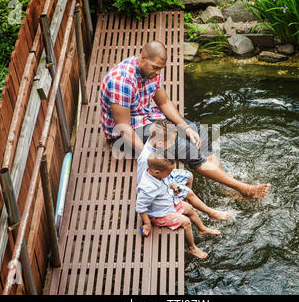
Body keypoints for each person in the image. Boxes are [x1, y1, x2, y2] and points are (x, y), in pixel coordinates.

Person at [100, 40, 270, 198]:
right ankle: (243, 188)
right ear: (142, 57)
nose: (158, 73)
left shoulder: (151, 71)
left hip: (148, 117)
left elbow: (164, 102)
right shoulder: (121, 81)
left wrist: (185, 127)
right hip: (126, 134)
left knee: (198, 132)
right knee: (187, 150)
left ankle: (227, 185)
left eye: (161, 68)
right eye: (155, 68)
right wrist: (148, 154)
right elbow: (123, 128)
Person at [137, 119, 231, 221]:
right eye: (171, 143)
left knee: (188, 175)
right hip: (157, 189)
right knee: (188, 192)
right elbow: (144, 183)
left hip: (162, 178)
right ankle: (211, 213)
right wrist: (171, 187)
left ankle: (186, 203)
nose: (172, 145)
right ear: (160, 143)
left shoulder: (154, 141)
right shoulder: (145, 160)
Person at [136, 151, 220, 259]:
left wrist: (173, 186)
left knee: (189, 208)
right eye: (169, 172)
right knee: (186, 222)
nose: (170, 174)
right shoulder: (148, 188)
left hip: (168, 202)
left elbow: (165, 182)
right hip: (160, 214)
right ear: (157, 172)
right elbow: (140, 207)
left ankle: (202, 228)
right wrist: (147, 223)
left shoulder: (158, 175)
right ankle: (191, 248)